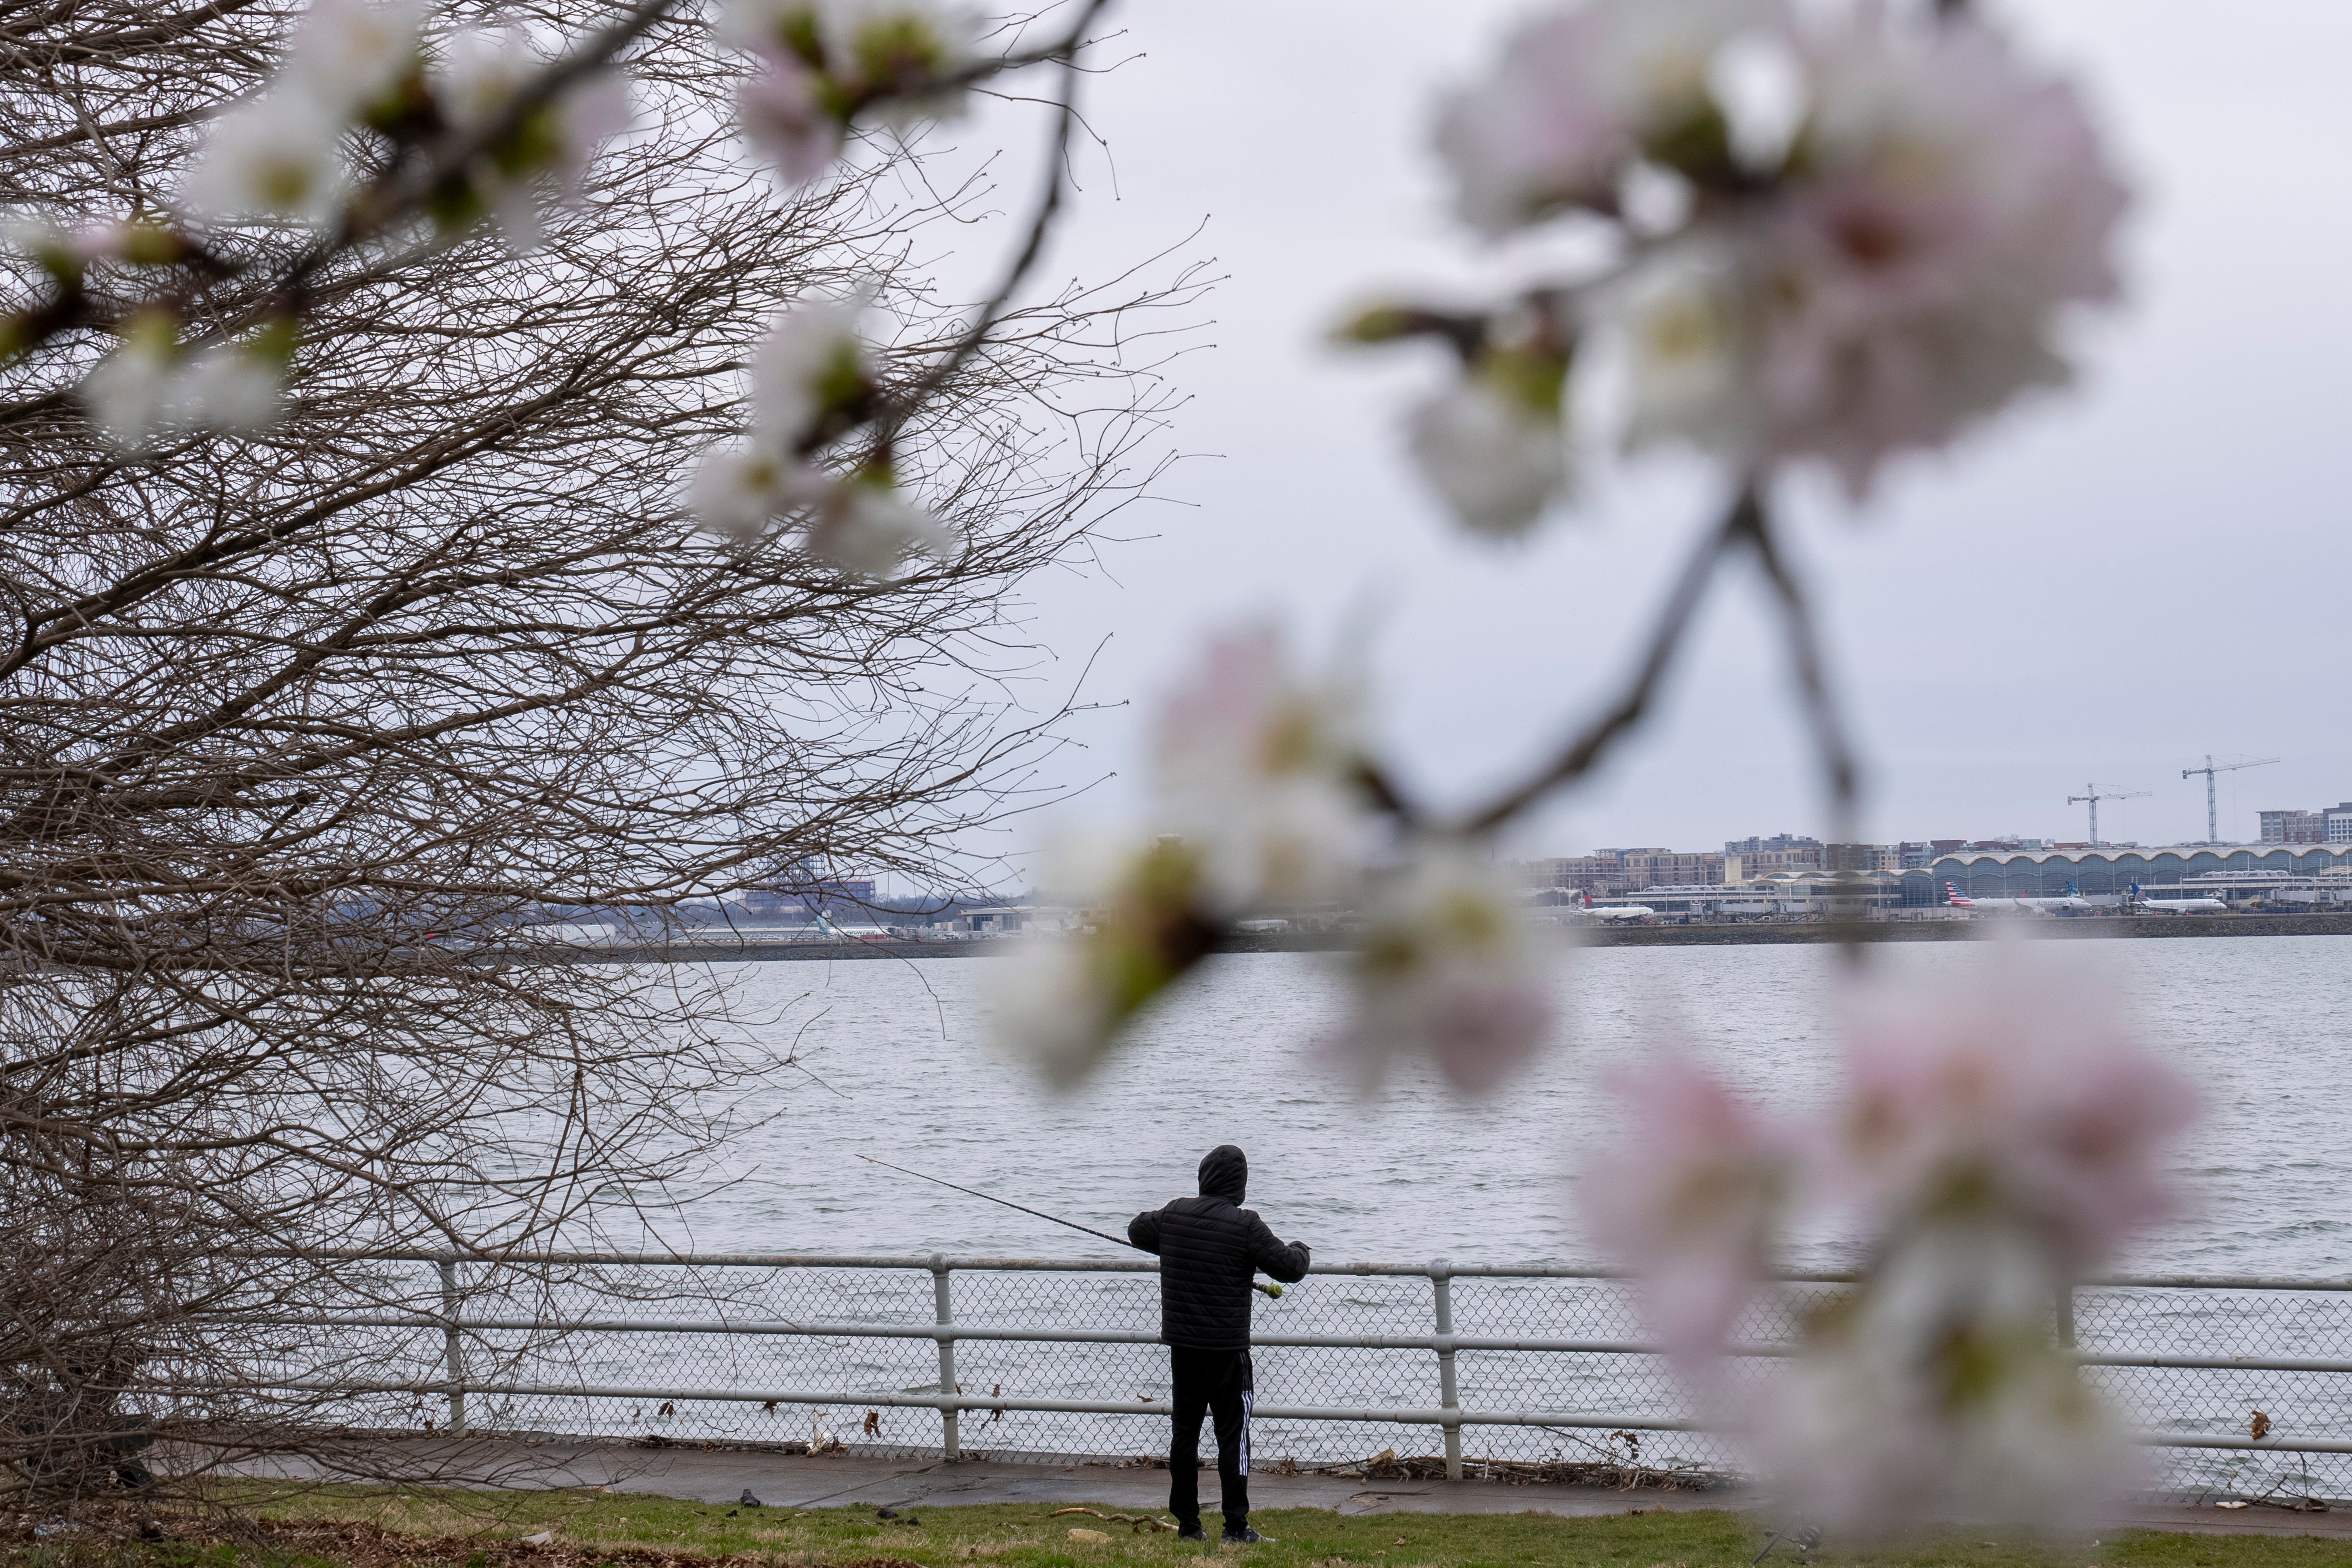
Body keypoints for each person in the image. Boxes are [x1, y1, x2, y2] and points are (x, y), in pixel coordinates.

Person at [1129, 1144, 1311, 1544]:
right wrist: (1303, 1247)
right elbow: (1289, 1266)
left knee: (1185, 1433)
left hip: (1184, 1350)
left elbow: (1137, 1229)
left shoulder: (1175, 1213)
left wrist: (1175, 1242)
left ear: (1203, 1177)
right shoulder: (1245, 1224)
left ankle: (1189, 1526)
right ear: (1239, 1185)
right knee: (1234, 1436)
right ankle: (1236, 1525)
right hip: (1228, 1351)